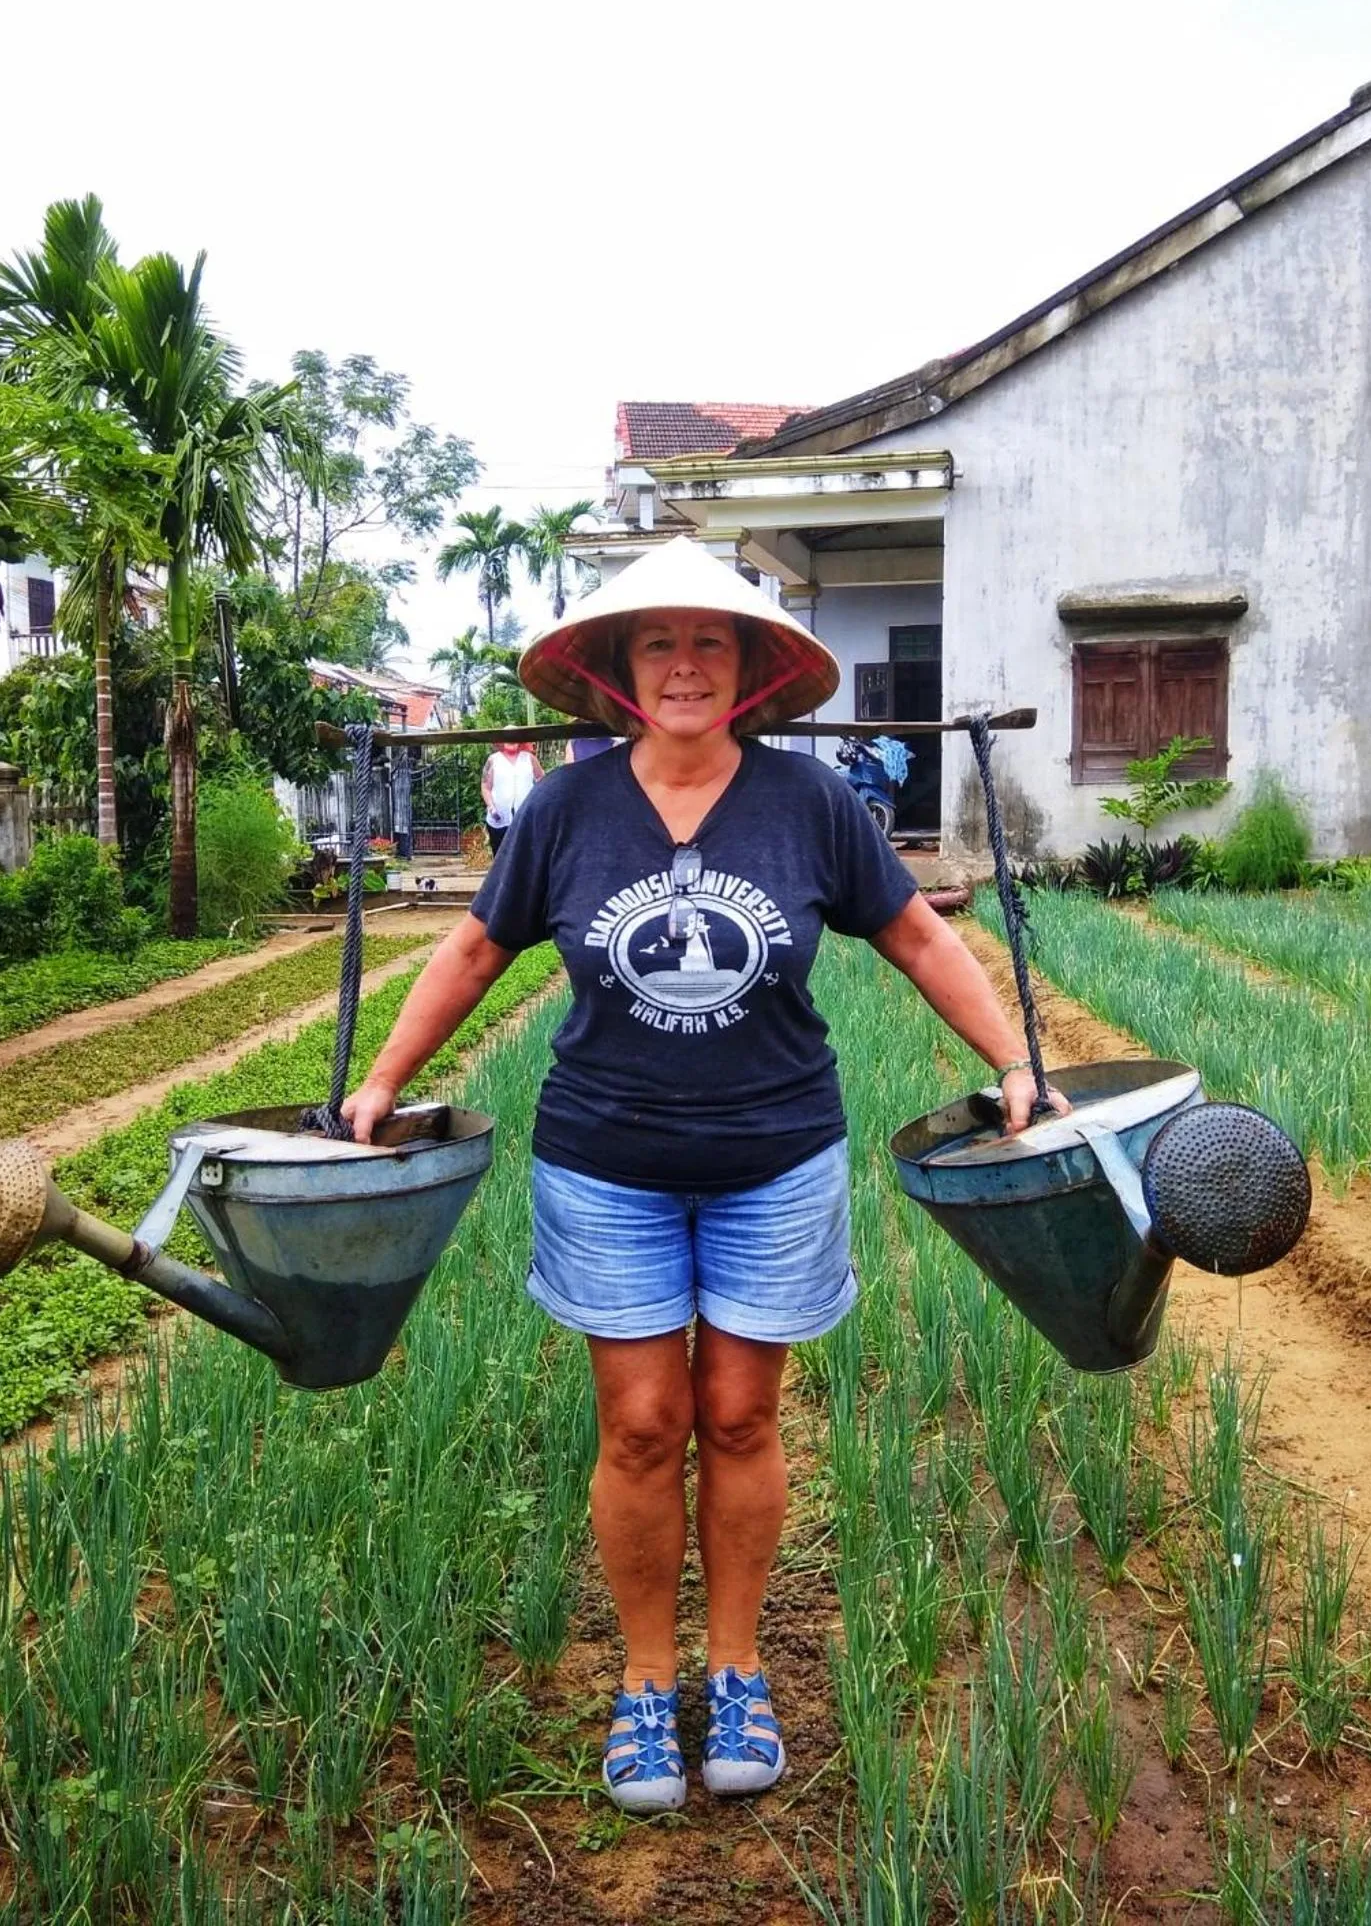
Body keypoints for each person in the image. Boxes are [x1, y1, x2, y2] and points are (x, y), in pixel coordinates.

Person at [343, 535, 1064, 1814]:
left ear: (746, 669)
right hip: (605, 1161)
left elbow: (912, 932)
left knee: (738, 1411)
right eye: (659, 643)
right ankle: (641, 1679)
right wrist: (383, 1076)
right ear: (622, 671)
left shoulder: (809, 804)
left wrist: (1017, 1056)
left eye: (709, 642)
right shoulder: (567, 810)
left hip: (775, 1157)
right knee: (639, 1422)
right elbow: (471, 951)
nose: (684, 664)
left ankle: (735, 1669)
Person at [481, 739, 542, 857]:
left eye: (515, 738)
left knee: (524, 854)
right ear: (501, 742)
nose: (511, 741)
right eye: (507, 738)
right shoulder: (493, 760)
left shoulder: (529, 758)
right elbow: (485, 786)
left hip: (525, 815)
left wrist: (537, 802)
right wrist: (491, 806)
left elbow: (541, 778)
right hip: (499, 816)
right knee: (500, 855)